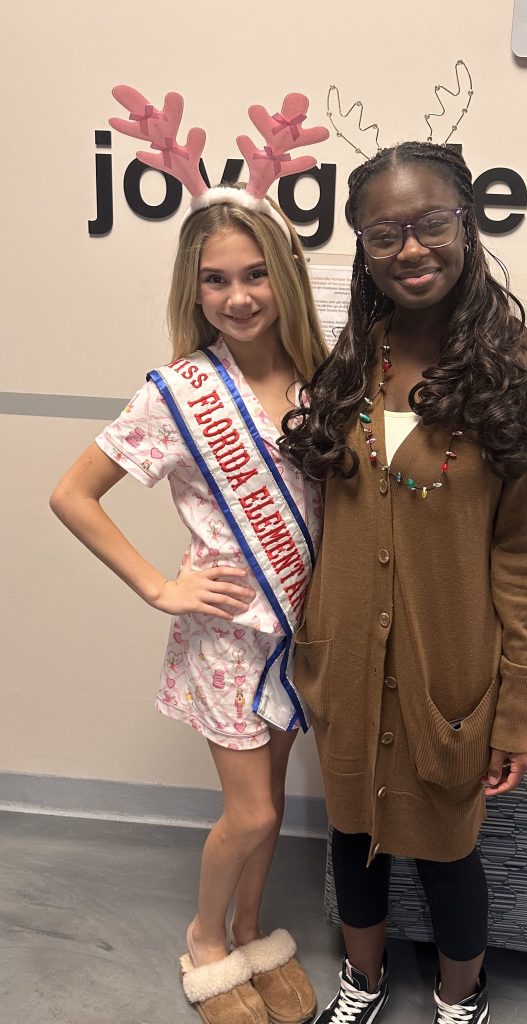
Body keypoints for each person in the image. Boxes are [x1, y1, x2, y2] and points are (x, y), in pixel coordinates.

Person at [51, 86, 329, 1024]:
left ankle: (254, 930)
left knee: (277, 801)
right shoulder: (177, 393)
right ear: (192, 288)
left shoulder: (321, 381)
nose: (238, 295)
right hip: (226, 634)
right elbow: (71, 494)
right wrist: (160, 586)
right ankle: (208, 946)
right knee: (248, 814)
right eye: (216, 280)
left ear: (282, 275)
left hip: (301, 624)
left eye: (254, 274)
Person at [280, 141, 527, 1024]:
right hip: (346, 666)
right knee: (352, 837)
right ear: (363, 248)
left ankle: (458, 993)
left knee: (447, 851)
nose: (410, 249)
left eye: (429, 223)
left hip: (451, 672)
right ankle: (362, 981)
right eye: (383, 233)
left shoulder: (522, 375)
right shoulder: (351, 362)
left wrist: (513, 702)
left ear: (465, 221)